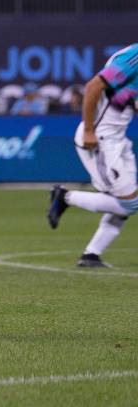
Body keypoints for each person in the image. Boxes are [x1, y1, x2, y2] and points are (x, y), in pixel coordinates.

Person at [47, 43, 138, 268]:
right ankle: (65, 197)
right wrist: (89, 130)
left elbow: (125, 100)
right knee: (131, 202)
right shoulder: (134, 57)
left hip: (118, 140)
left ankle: (91, 255)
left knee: (123, 201)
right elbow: (93, 86)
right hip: (100, 140)